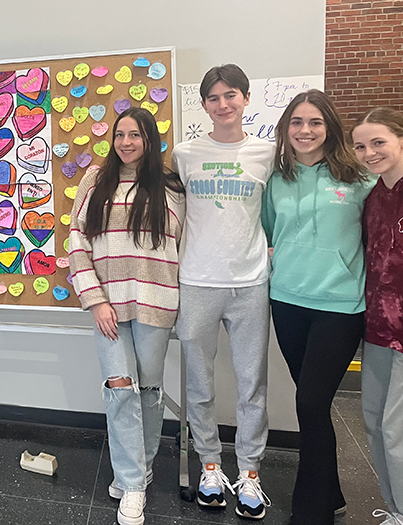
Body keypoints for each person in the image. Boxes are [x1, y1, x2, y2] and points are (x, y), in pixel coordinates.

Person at [262, 89, 373, 524]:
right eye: (296, 123)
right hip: (287, 303)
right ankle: (332, 492)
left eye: (314, 122)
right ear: (285, 130)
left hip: (341, 307)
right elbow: (270, 234)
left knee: (309, 402)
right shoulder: (277, 179)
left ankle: (311, 512)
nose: (305, 131)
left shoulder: (358, 177)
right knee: (314, 403)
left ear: (330, 127)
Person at [69, 108, 185, 525]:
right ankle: (134, 485)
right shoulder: (94, 181)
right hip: (109, 306)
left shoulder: (171, 187)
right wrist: (95, 299)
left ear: (150, 140)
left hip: (157, 302)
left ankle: (137, 468)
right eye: (120, 134)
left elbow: (182, 245)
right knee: (120, 388)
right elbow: (77, 240)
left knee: (149, 391)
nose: (126, 142)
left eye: (135, 134)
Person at [171, 64, 275, 519]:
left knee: (253, 383)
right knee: (200, 383)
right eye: (213, 98)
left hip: (251, 283)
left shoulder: (267, 153)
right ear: (204, 105)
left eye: (230, 95)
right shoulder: (184, 153)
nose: (223, 104)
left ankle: (250, 472)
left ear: (246, 99)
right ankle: (210, 465)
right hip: (196, 282)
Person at [352, 107, 403, 525]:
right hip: (375, 330)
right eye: (361, 146)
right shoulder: (371, 197)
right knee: (372, 422)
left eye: (379, 142)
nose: (369, 153)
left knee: (396, 432)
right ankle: (393, 509)